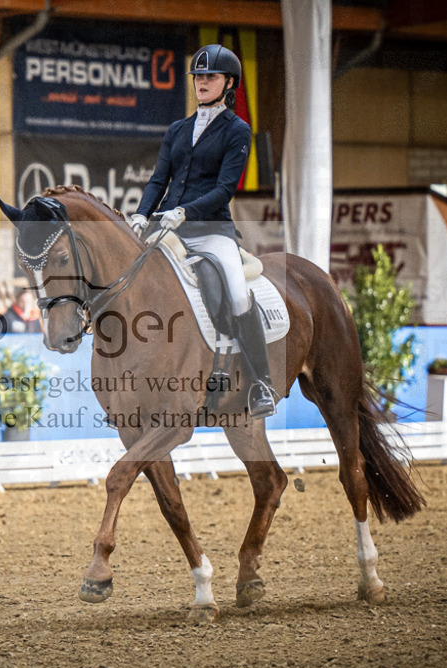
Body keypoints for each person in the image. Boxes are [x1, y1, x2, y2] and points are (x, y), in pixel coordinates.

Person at [128, 44, 276, 418]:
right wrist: (141, 215)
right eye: (198, 77)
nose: (202, 83)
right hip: (169, 228)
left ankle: (262, 383)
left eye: (210, 77)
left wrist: (184, 210)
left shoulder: (237, 130)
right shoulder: (177, 130)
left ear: (229, 83)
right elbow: (158, 179)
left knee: (239, 294)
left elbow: (225, 189)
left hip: (211, 230)